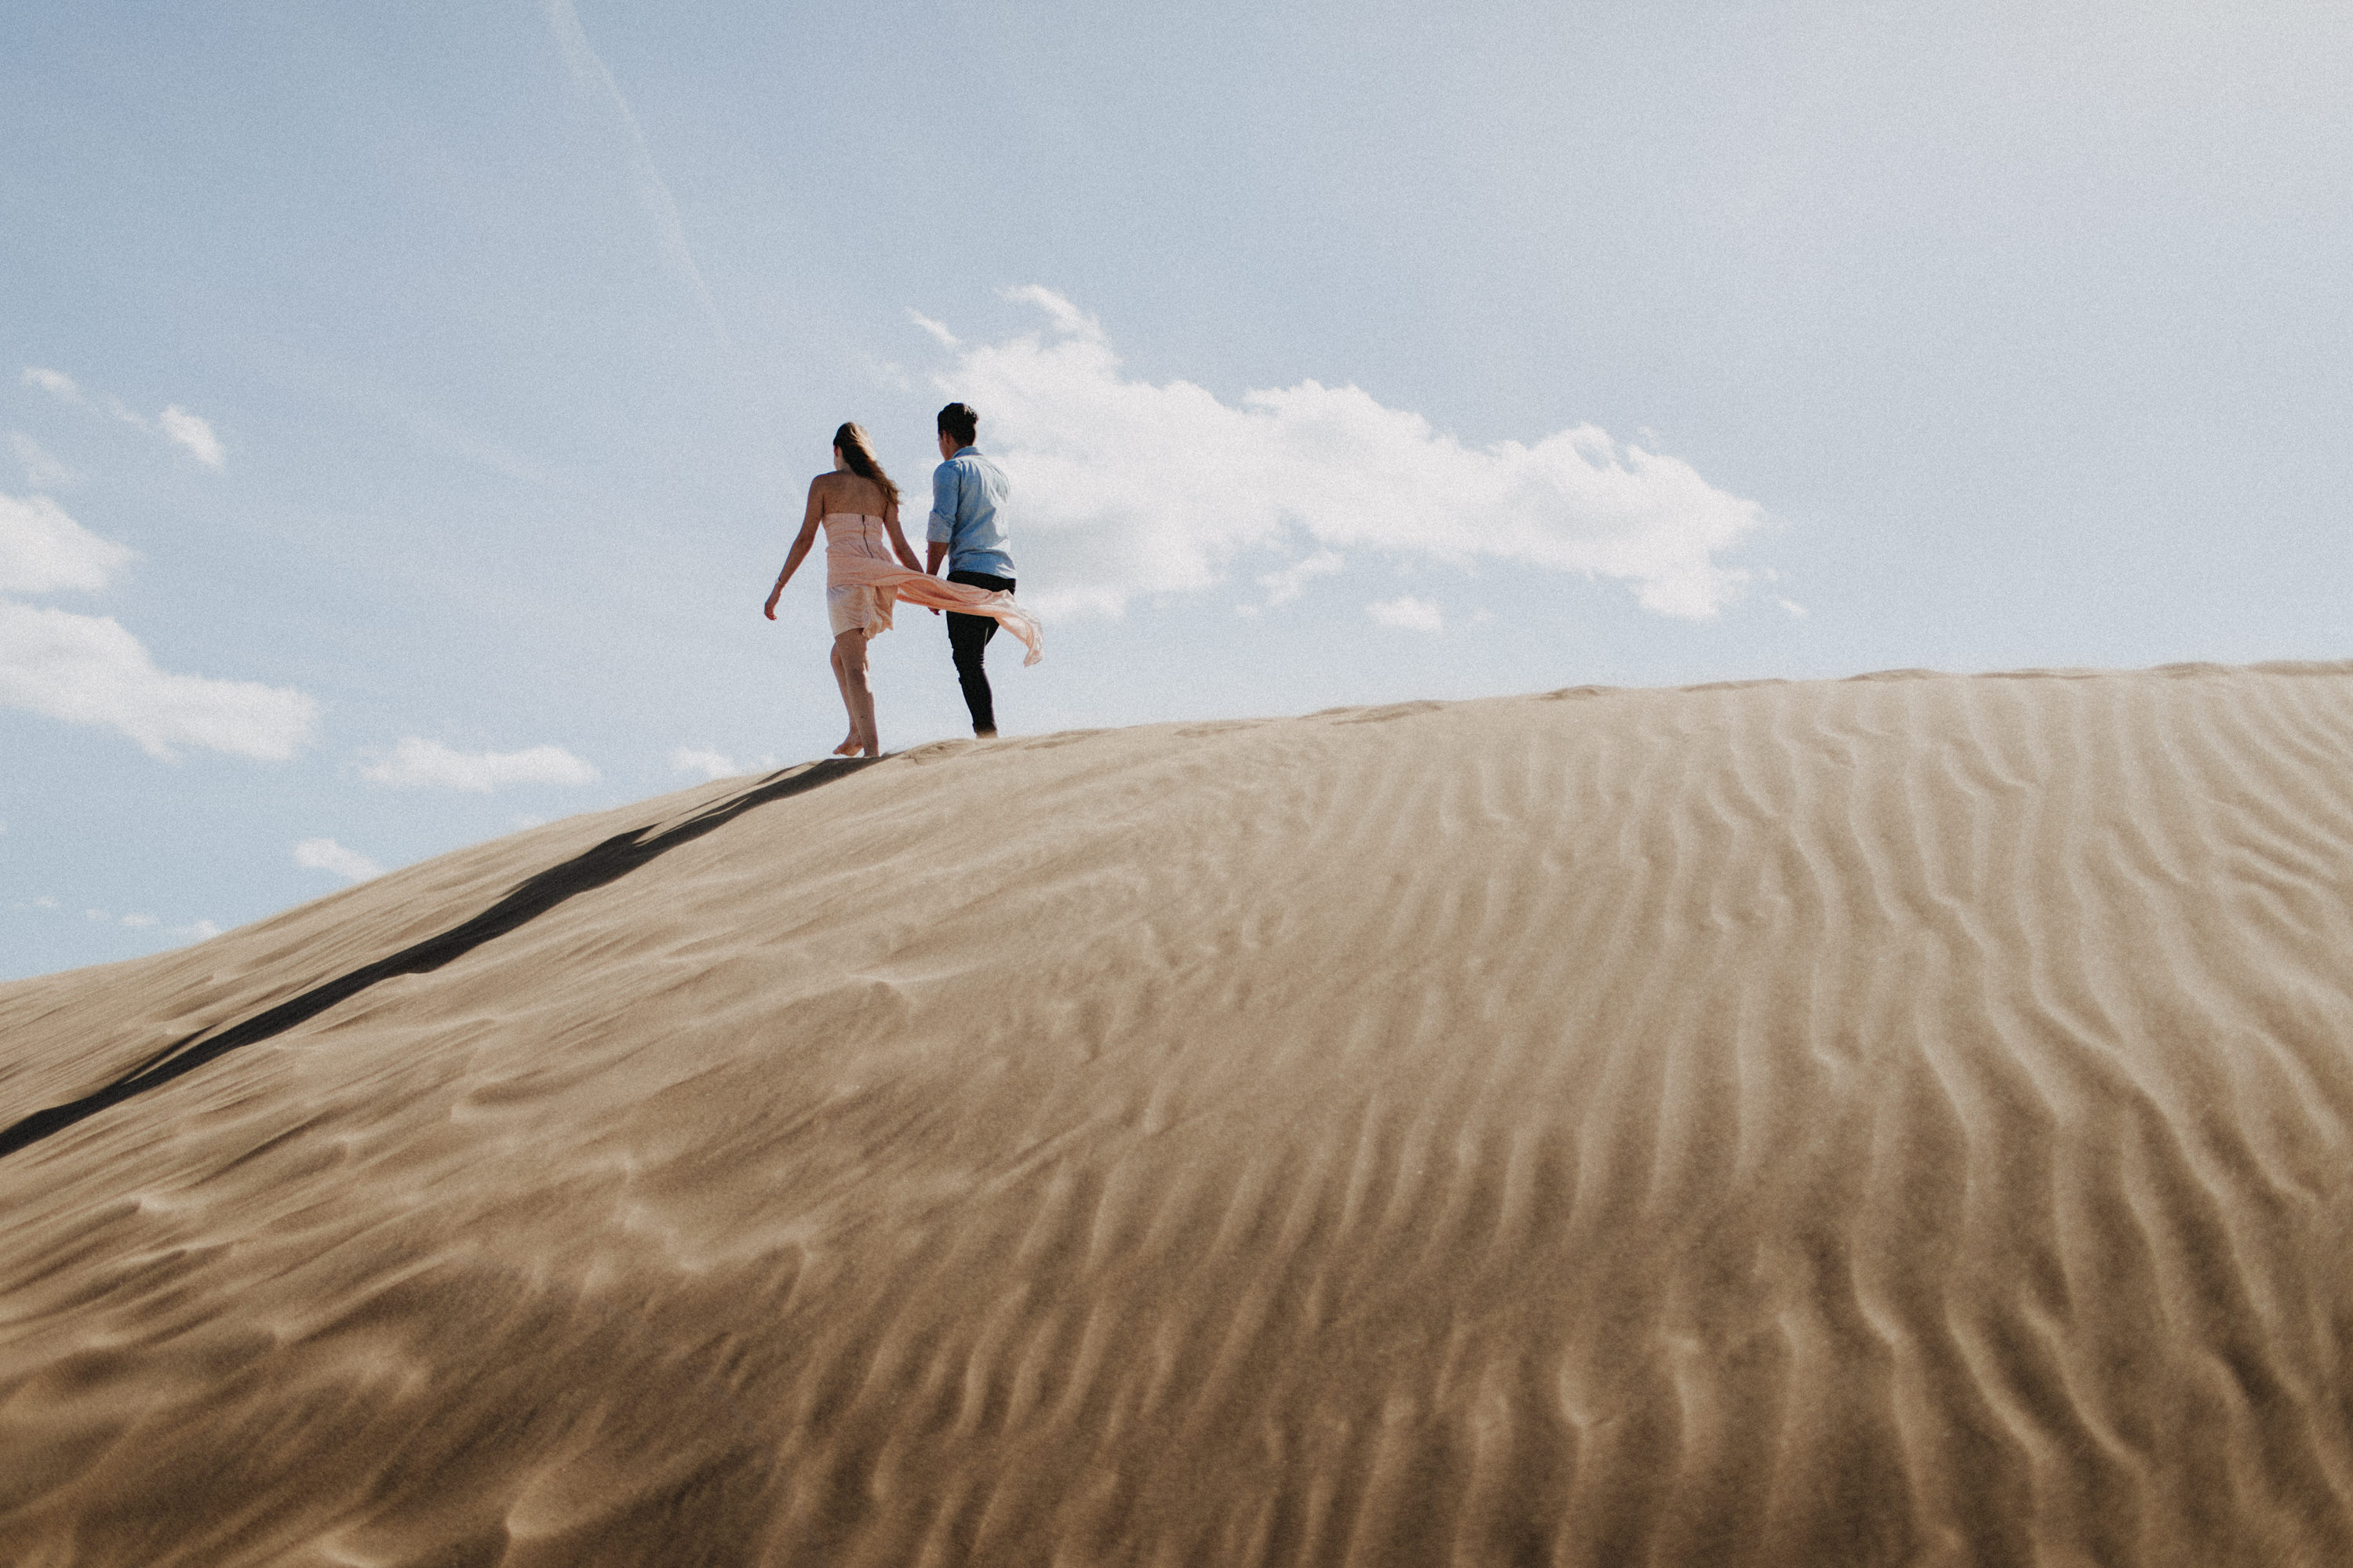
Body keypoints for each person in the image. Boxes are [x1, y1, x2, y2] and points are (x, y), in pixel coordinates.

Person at [766, 421, 1041, 757]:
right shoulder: (882, 489)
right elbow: (900, 547)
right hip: (880, 581)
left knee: (856, 665)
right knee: (841, 656)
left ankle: (870, 753)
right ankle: (856, 731)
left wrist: (779, 587)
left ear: (838, 452)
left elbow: (805, 538)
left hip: (847, 580)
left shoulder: (823, 484)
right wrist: (926, 584)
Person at [925, 402, 1018, 737]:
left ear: (945, 436)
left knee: (969, 662)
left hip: (970, 575)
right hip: (1005, 577)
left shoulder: (950, 470)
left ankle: (988, 737)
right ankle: (986, 731)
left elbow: (941, 524)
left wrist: (930, 580)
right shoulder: (998, 474)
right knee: (971, 660)